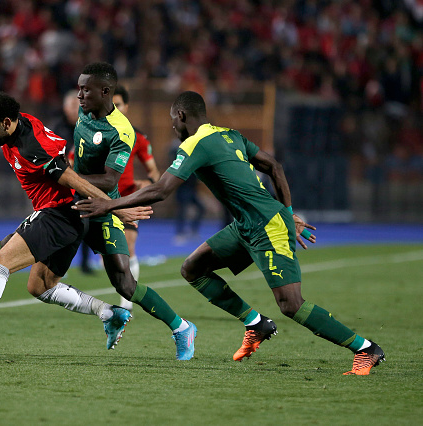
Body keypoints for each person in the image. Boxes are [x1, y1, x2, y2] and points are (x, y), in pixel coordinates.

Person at [75, 91, 385, 375]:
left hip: (266, 226)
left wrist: (109, 205)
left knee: (291, 304)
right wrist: (288, 212)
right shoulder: (230, 135)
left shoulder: (196, 143)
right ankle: (256, 323)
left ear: (181, 115)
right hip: (246, 225)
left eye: (172, 120)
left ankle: (365, 348)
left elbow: (160, 190)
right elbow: (274, 166)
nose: (172, 127)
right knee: (193, 269)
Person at [0, 91, 152, 355]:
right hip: (65, 216)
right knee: (40, 286)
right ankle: (109, 313)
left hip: (58, 215)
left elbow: (73, 180)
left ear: (5, 123)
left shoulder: (33, 149)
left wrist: (116, 208)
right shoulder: (14, 123)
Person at [72, 62, 196, 360]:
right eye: (79, 88)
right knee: (34, 261)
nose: (79, 95)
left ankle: (181, 328)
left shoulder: (123, 132)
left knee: (125, 283)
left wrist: (62, 176)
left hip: (103, 207)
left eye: (85, 90)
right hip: (72, 205)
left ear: (106, 92)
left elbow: (110, 179)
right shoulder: (82, 111)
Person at [112, 85, 161, 311]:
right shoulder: (95, 134)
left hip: (129, 200)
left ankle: (126, 303)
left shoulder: (137, 137)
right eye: (111, 105)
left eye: (118, 105)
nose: (114, 109)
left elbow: (154, 173)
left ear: (127, 107)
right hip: (103, 200)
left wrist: (147, 184)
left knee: (128, 246)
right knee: (110, 253)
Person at [49, 90, 95, 274]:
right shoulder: (57, 128)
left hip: (81, 181)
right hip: (61, 182)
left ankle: (84, 263)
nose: (77, 110)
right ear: (65, 108)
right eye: (73, 106)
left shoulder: (87, 127)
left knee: (85, 221)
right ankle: (54, 262)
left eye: (78, 106)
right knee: (57, 223)